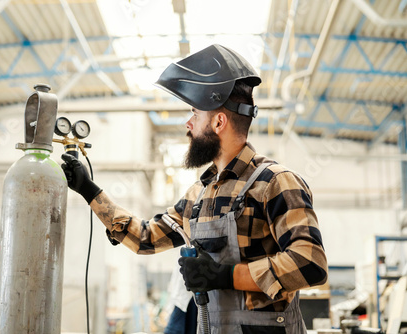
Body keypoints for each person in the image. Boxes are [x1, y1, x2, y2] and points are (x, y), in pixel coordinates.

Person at [61, 44, 328, 334]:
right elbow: (146, 238)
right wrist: (90, 191)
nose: (188, 124)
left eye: (194, 114)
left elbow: (310, 262)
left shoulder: (275, 182)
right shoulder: (199, 194)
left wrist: (227, 276)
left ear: (218, 121)